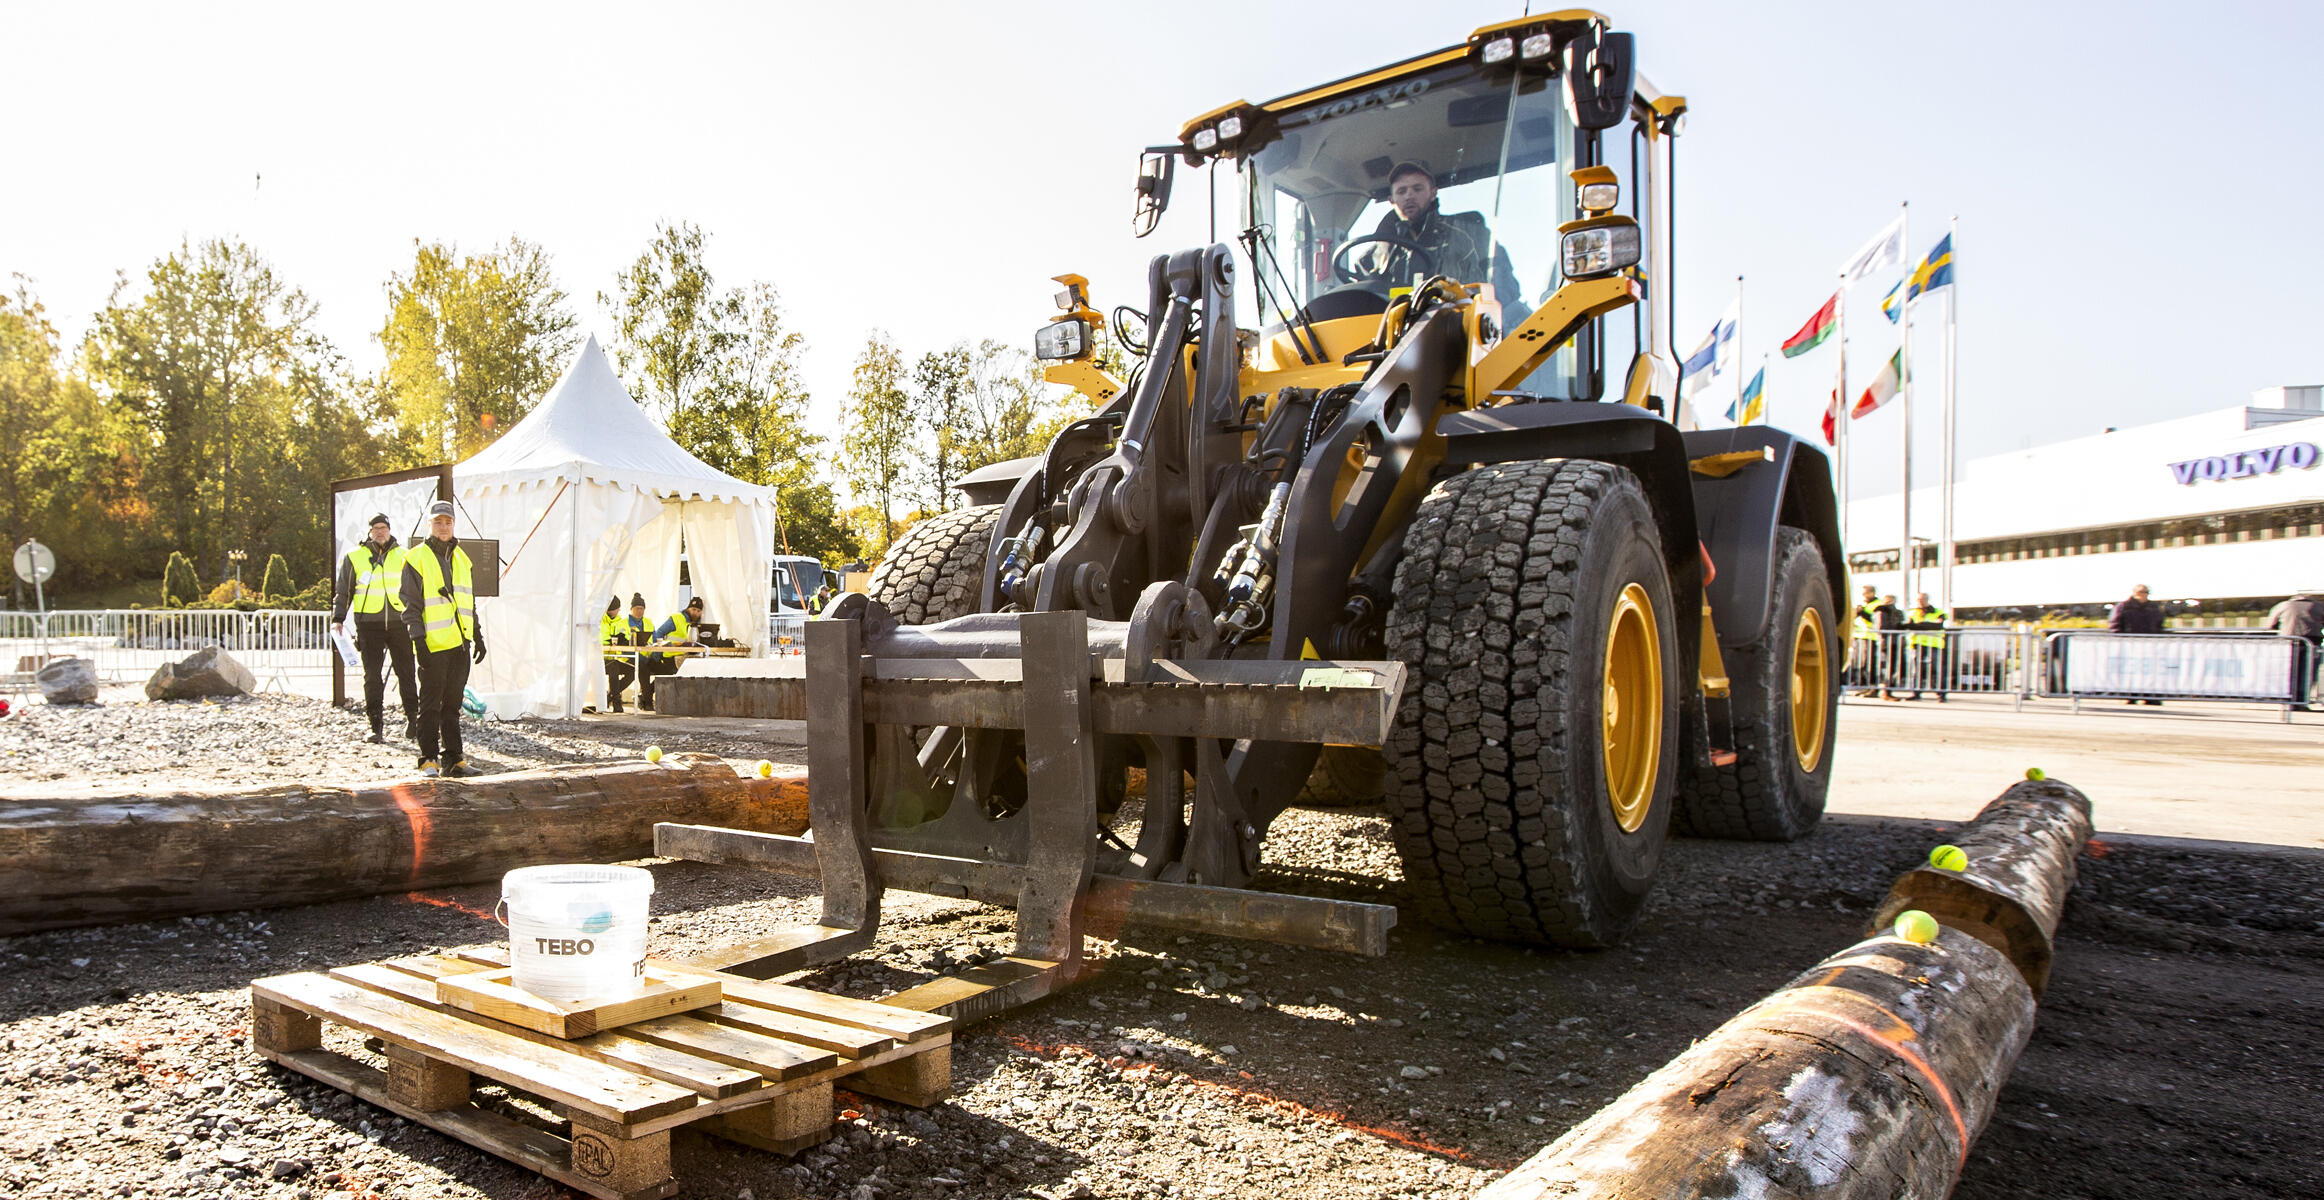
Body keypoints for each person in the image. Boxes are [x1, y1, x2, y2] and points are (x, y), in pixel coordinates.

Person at [1366, 162, 1526, 319]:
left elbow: (1503, 289)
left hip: (1461, 332)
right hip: (1395, 338)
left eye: (1417, 189)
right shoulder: (1376, 255)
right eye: (1401, 191)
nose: (1409, 196)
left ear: (1433, 193)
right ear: (1391, 200)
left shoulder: (1470, 235)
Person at [399, 500, 485, 778]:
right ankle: (428, 759)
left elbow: (468, 602)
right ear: (430, 525)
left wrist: (478, 635)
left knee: (452, 705)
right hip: (433, 645)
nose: (444, 527)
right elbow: (409, 604)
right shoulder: (416, 558)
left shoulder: (463, 558)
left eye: (448, 522)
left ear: (454, 524)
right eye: (438, 522)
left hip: (460, 644)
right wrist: (418, 640)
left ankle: (454, 759)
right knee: (430, 706)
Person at [331, 513, 419, 743]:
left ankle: (413, 720)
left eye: (383, 527)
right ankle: (375, 726)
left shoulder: (404, 555)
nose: (380, 531)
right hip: (369, 624)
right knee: (372, 676)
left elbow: (415, 589)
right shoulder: (354, 556)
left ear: (389, 530)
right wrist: (338, 617)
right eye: (376, 528)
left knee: (407, 672)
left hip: (400, 622)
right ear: (370, 532)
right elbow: (344, 590)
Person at [639, 596, 706, 712]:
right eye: (693, 609)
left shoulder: (698, 625)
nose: (695, 613)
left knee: (685, 672)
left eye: (698, 611)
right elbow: (659, 632)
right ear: (688, 608)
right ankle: (646, 695)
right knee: (672, 674)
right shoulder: (676, 618)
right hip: (670, 656)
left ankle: (646, 695)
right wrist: (658, 652)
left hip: (686, 656)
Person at [2108, 584, 2166, 706]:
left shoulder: (2153, 607)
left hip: (2150, 645)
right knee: (2132, 671)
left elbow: (2160, 624)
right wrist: (2121, 641)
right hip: (2131, 645)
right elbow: (2115, 624)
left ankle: (2150, 695)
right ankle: (2131, 695)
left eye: (2146, 592)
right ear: (2135, 593)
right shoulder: (2124, 606)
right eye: (2141, 592)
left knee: (2150, 671)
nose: (2143, 594)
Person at [2267, 589, 2322, 712]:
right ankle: (2301, 701)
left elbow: (2271, 624)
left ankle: (2288, 700)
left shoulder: (2283, 605)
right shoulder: (2318, 606)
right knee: (2308, 673)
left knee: (2289, 672)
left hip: (2288, 642)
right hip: (2312, 642)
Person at [600, 594, 649, 714]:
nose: (618, 611)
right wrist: (611, 640)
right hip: (600, 658)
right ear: (611, 609)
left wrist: (625, 640)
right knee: (613, 668)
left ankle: (609, 697)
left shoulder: (619, 621)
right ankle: (617, 703)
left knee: (632, 670)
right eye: (617, 608)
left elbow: (622, 637)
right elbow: (600, 639)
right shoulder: (600, 621)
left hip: (614, 657)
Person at [1904, 591, 1951, 702]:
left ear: (1927, 600)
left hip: (1934, 644)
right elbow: (1909, 626)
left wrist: (1919, 626)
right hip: (1918, 644)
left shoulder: (1938, 612)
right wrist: (1925, 625)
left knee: (1937, 669)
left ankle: (1941, 694)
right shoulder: (1913, 612)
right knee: (1917, 670)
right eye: (1918, 600)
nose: (1920, 602)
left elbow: (1938, 625)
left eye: (1922, 599)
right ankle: (1916, 693)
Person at [1872, 593, 1905, 701]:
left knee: (1893, 667)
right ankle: (1886, 691)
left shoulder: (1892, 611)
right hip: (1888, 642)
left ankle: (1887, 690)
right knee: (1889, 667)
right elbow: (1882, 627)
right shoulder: (1882, 611)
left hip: (1893, 641)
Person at [1847, 584, 1880, 690]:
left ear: (1872, 593)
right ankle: (1861, 683)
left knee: (1868, 662)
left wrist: (1862, 613)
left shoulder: (1877, 604)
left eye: (1865, 593)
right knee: (1858, 661)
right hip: (1859, 636)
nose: (1863, 595)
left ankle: (1870, 685)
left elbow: (1874, 620)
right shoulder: (1862, 604)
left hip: (1870, 637)